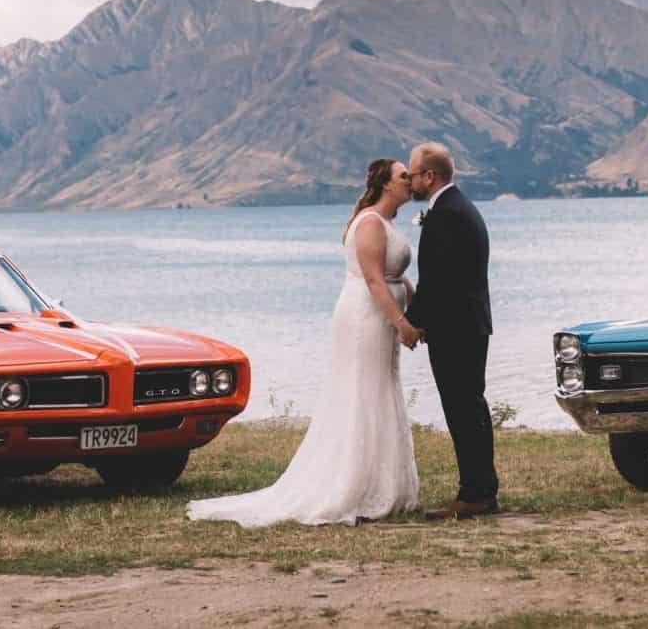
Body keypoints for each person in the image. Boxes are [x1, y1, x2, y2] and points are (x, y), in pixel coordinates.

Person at [187, 158, 422, 526]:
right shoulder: (371, 223)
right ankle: (353, 484)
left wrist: (413, 297)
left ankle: (383, 483)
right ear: (385, 184)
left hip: (379, 316)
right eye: (403, 176)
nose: (410, 181)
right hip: (365, 318)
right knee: (362, 390)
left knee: (381, 387)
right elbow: (374, 281)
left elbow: (392, 277)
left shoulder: (387, 222)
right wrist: (402, 323)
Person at [403, 141, 500, 519]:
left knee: (463, 409)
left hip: (457, 329)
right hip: (467, 324)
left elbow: (438, 279)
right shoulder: (455, 208)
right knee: (469, 407)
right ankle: (481, 489)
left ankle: (476, 493)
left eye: (412, 174)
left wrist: (412, 320)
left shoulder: (447, 214)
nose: (410, 181)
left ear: (430, 176)